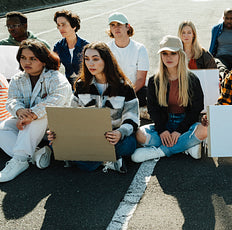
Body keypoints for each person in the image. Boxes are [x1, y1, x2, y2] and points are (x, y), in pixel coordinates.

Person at [48, 42, 139, 173]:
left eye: (95, 59)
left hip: (114, 138)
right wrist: (59, 133)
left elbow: (132, 118)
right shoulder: (81, 85)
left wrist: (119, 132)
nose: (90, 63)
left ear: (106, 61)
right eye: (87, 59)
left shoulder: (124, 87)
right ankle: (107, 161)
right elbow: (71, 115)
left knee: (129, 144)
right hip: (88, 138)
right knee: (54, 144)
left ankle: (85, 159)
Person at [0, 40, 71, 182]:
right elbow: (12, 99)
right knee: (3, 128)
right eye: (23, 58)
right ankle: (36, 155)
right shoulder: (18, 78)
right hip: (29, 126)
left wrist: (30, 115)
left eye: (33, 58)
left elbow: (54, 102)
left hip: (54, 128)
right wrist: (19, 111)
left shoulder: (56, 78)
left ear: (44, 61)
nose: (27, 62)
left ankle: (19, 160)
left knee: (38, 117)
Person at [131, 36, 206, 163]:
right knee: (138, 134)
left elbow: (196, 109)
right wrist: (162, 130)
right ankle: (185, 146)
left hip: (187, 124)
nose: (168, 57)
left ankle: (160, 151)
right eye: (164, 53)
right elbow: (153, 109)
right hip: (165, 123)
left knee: (205, 130)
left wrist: (179, 131)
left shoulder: (192, 79)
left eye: (173, 53)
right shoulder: (154, 80)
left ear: (180, 55)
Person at [106, 12, 149, 118]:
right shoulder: (106, 49)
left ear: (127, 27)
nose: (116, 28)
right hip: (113, 91)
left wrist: (125, 96)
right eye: (113, 25)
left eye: (119, 24)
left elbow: (140, 79)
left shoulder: (140, 48)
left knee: (148, 93)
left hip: (135, 90)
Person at [53, 10, 89, 85]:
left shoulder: (86, 46)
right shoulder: (58, 46)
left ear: (74, 26)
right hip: (68, 83)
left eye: (63, 25)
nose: (60, 28)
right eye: (58, 25)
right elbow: (53, 68)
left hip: (85, 82)